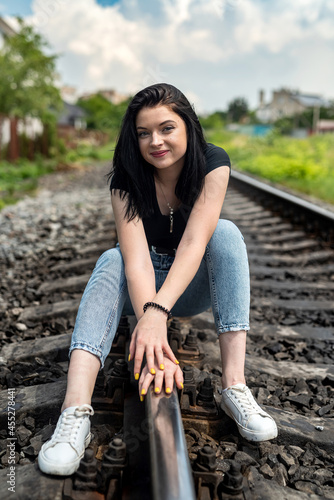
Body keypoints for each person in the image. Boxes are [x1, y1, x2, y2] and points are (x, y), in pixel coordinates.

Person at [38, 83, 277, 476]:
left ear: (188, 125)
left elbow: (195, 244)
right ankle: (73, 415)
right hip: (142, 283)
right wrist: (150, 320)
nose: (156, 141)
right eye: (144, 133)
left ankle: (235, 386)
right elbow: (136, 261)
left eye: (167, 128)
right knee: (112, 259)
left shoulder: (213, 163)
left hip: (190, 286)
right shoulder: (125, 180)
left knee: (226, 233)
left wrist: (157, 317)